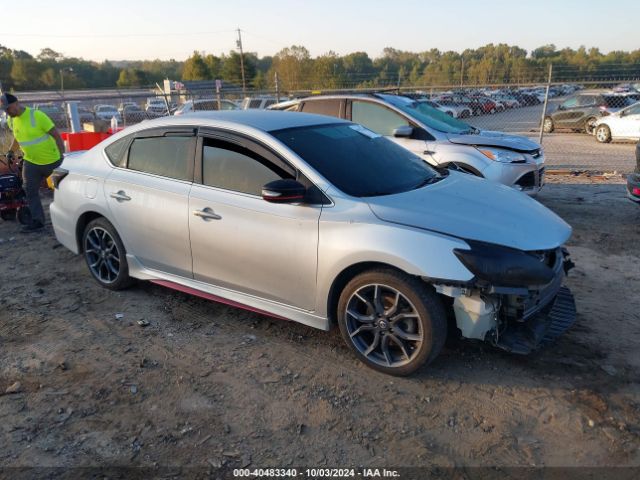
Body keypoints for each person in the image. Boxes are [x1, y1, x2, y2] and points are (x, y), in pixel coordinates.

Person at [1, 93, 65, 232]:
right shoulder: (12, 120)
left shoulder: (37, 116)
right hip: (31, 162)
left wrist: (62, 157)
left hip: (52, 161)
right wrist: (11, 150)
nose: (7, 112)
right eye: (4, 110)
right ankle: (38, 221)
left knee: (62, 189)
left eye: (8, 109)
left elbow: (56, 135)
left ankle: (69, 218)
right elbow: (18, 138)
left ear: (16, 103)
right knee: (29, 191)